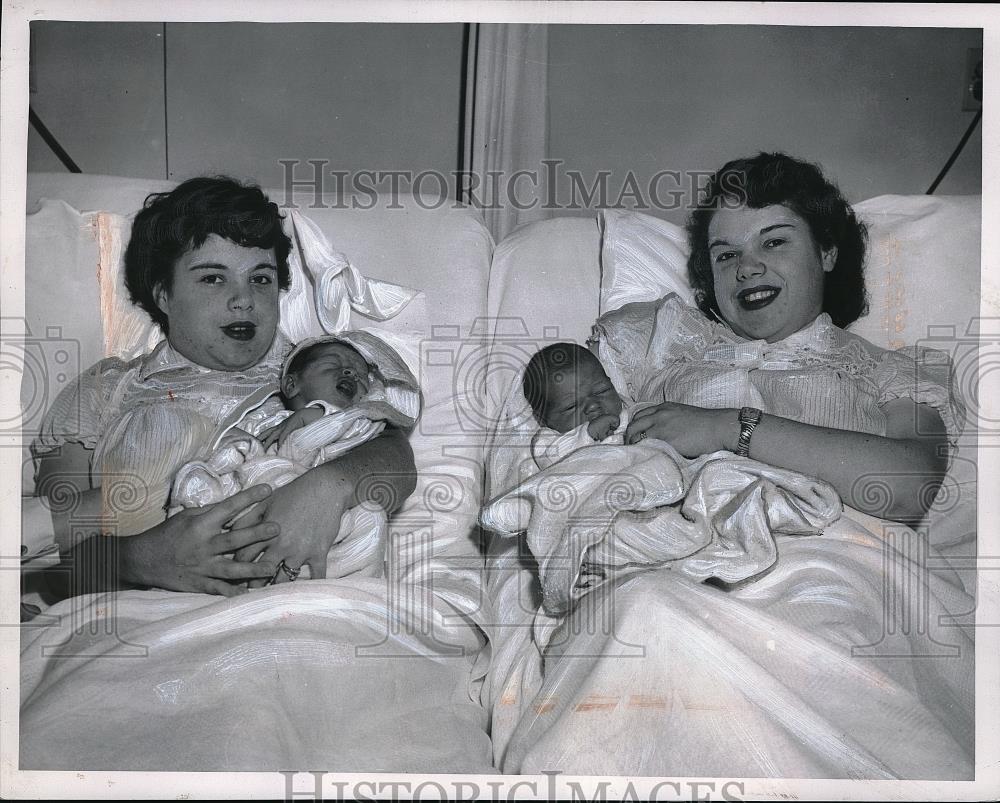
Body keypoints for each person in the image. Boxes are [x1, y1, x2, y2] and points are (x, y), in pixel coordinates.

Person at [31, 176, 417, 598]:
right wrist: (138, 560)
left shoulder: (312, 371)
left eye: (261, 279)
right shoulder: (107, 390)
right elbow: (54, 561)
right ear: (163, 293)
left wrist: (330, 486)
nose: (244, 300)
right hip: (138, 609)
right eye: (214, 278)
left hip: (291, 598)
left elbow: (394, 454)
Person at [595, 152, 959, 526]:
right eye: (726, 255)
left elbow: (906, 490)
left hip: (832, 563)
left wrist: (725, 428)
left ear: (827, 251)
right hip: (662, 560)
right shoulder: (658, 337)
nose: (746, 268)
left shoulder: (892, 371)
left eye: (773, 243)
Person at [169, 332, 422, 582]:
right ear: (292, 385)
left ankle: (339, 580)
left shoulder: (360, 424)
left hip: (325, 528)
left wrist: (323, 415)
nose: (350, 374)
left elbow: (365, 427)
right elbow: (234, 446)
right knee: (202, 478)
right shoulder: (263, 418)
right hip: (255, 500)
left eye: (360, 376)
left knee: (371, 517)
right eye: (334, 364)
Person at [521, 342, 626, 468]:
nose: (592, 406)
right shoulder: (547, 441)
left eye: (602, 391)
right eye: (571, 406)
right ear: (542, 419)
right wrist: (587, 434)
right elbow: (550, 462)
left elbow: (647, 420)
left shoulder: (628, 411)